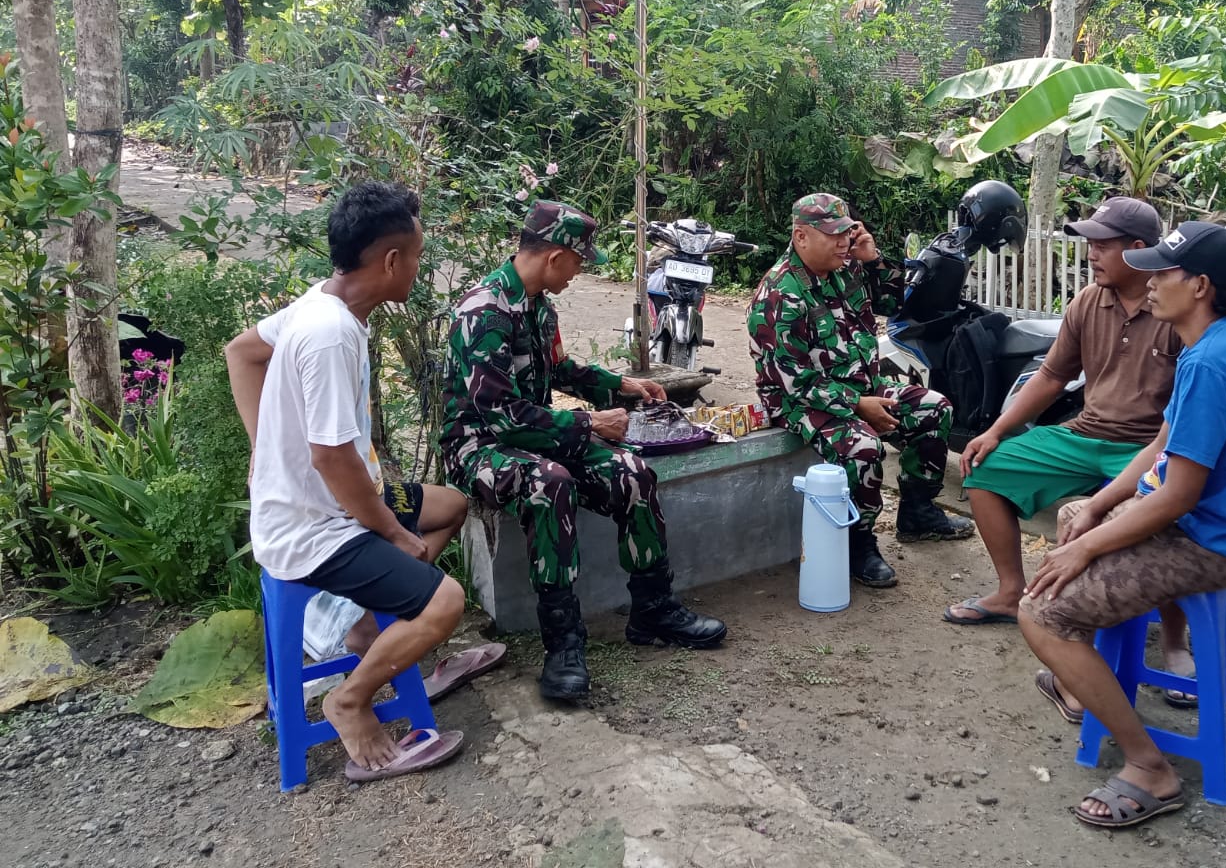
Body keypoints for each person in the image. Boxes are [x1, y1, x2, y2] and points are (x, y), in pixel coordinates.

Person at [1019, 221, 1226, 829]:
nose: (1151, 283)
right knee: (1073, 515)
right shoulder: (1211, 346)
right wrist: (1097, 508)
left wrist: (1086, 550)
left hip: (1211, 543)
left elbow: (1176, 497)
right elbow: (1160, 447)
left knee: (1041, 613)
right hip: (1199, 525)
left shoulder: (1212, 364)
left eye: (1163, 273)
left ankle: (1149, 767)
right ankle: (1082, 678)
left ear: (1200, 286)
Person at [227, 182, 480, 782]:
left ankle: (370, 632)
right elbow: (331, 459)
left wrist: (264, 447)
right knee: (446, 601)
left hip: (330, 501)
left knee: (449, 506)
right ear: (391, 261)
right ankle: (349, 700)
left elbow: (240, 352)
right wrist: (391, 533)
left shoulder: (319, 303)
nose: (418, 267)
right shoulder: (330, 333)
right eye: (416, 256)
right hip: (314, 528)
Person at [440, 200, 726, 703]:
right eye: (577, 262)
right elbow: (500, 416)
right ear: (554, 257)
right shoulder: (483, 312)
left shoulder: (538, 306)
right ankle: (563, 642)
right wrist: (591, 422)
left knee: (633, 473)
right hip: (479, 445)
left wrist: (622, 385)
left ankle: (653, 609)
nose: (578, 272)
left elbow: (559, 369)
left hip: (538, 434)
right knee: (550, 483)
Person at [947, 197, 1193, 697]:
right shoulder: (1086, 302)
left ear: (1138, 248)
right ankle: (1011, 593)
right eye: (1089, 244)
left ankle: (1175, 641)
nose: (1090, 254)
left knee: (1164, 517)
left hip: (1148, 445)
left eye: (1102, 245)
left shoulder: (1174, 305)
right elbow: (1053, 375)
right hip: (1083, 435)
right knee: (985, 469)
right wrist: (996, 430)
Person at [748, 192, 973, 590]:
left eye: (847, 233)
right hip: (801, 402)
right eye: (833, 235)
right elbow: (794, 380)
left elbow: (892, 303)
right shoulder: (780, 295)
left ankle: (918, 513)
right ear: (801, 237)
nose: (843, 243)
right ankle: (858, 543)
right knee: (862, 448)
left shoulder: (844, 268)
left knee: (933, 408)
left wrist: (873, 259)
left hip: (862, 384)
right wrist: (857, 406)